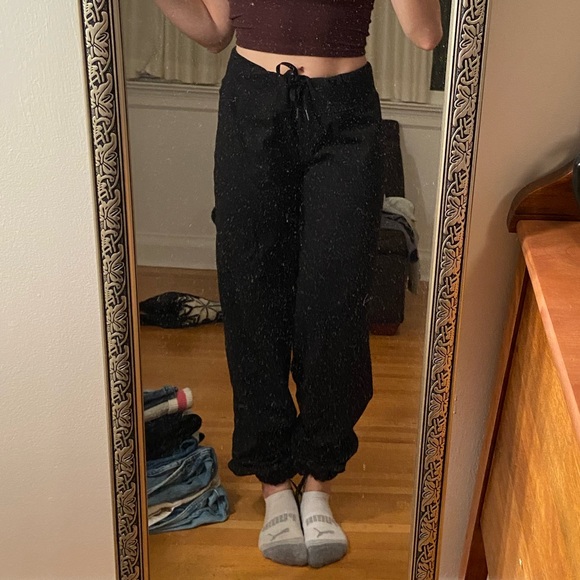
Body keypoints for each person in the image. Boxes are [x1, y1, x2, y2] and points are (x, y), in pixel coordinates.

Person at [153, 0, 442, 568]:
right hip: (252, 103)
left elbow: (426, 34)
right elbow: (213, 30)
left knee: (336, 299)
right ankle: (273, 480)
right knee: (252, 295)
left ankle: (319, 478)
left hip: (346, 112)